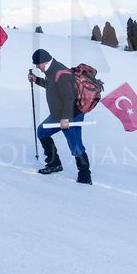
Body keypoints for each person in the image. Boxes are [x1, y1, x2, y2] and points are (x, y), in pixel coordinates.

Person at [27, 49, 92, 185]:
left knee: (75, 145)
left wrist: (66, 118)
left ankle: (85, 176)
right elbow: (51, 86)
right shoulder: (51, 70)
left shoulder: (60, 73)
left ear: (44, 61)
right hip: (58, 114)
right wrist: (37, 80)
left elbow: (69, 97)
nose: (37, 66)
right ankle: (54, 163)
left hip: (72, 114)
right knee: (42, 132)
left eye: (37, 64)